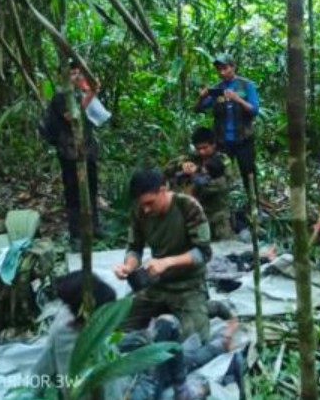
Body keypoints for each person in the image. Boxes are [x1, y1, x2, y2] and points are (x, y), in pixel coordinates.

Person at [114, 169, 212, 342]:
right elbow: (134, 247)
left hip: (188, 286)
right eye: (141, 204)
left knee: (196, 341)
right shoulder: (140, 211)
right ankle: (166, 314)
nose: (145, 209)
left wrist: (167, 262)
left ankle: (210, 308)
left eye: (150, 203)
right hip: (157, 285)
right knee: (114, 326)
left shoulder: (187, 206)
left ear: (163, 190)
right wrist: (128, 266)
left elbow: (203, 253)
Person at [32, 271, 128, 399]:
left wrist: (36, 393)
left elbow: (43, 368)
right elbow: (113, 389)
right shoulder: (70, 330)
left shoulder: (63, 322)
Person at [50, 61, 104, 250]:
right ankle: (76, 233)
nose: (76, 77)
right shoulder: (60, 97)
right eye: (71, 73)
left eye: (78, 73)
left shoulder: (80, 93)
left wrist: (90, 92)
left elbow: (95, 116)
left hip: (87, 149)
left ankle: (94, 226)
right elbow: (71, 115)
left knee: (92, 187)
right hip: (69, 152)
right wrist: (90, 93)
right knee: (73, 192)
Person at [195, 54, 260, 193]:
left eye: (225, 68)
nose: (222, 72)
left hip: (244, 140)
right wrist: (201, 97)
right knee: (219, 175)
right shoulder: (217, 89)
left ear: (233, 67)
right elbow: (198, 109)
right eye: (219, 69)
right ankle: (222, 209)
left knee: (249, 174)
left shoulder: (246, 85)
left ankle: (254, 207)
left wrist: (238, 99)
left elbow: (254, 110)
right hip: (222, 142)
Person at [164, 127, 234, 240]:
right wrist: (182, 165)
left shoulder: (223, 160)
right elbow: (167, 169)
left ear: (213, 145)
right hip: (194, 217)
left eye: (205, 148)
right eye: (198, 148)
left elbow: (223, 185)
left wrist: (196, 174)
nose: (201, 152)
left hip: (217, 217)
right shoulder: (192, 158)